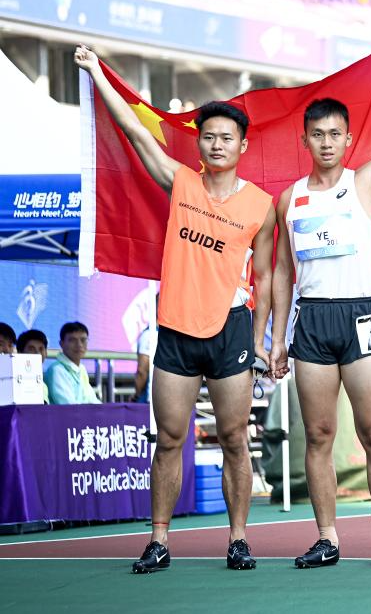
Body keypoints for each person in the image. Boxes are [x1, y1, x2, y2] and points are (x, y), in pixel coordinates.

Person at [75, 45, 276, 574]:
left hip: (230, 330)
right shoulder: (181, 182)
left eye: (226, 138)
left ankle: (238, 540)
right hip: (177, 330)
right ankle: (159, 540)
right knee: (168, 439)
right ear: (199, 143)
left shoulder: (261, 205)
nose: (217, 144)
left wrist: (261, 339)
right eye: (208, 137)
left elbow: (267, 275)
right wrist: (97, 74)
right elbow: (136, 132)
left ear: (242, 145)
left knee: (234, 438)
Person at [269, 97, 371, 568]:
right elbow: (282, 271)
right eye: (318, 135)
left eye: (335, 134)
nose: (327, 143)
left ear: (349, 139)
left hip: (361, 316)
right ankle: (327, 539)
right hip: (313, 320)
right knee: (319, 435)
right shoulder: (289, 199)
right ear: (305, 140)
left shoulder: (366, 181)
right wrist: (277, 339)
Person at [43, 322, 99, 405]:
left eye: (83, 340)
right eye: (72, 340)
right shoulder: (57, 370)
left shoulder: (81, 369)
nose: (79, 345)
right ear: (61, 344)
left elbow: (92, 400)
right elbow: (69, 407)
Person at [135, 325, 157, 404]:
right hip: (175, 397)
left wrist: (137, 395)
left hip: (152, 400)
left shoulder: (149, 334)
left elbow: (142, 371)